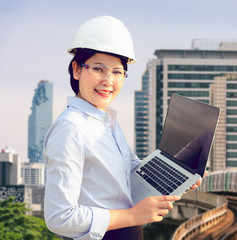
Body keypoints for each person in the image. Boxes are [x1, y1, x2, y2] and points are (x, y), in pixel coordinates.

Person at [43, 16, 202, 240]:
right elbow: (59, 217)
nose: (109, 80)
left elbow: (130, 170)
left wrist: (178, 175)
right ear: (77, 69)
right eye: (99, 69)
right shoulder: (71, 128)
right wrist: (133, 216)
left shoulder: (107, 120)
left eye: (117, 72)